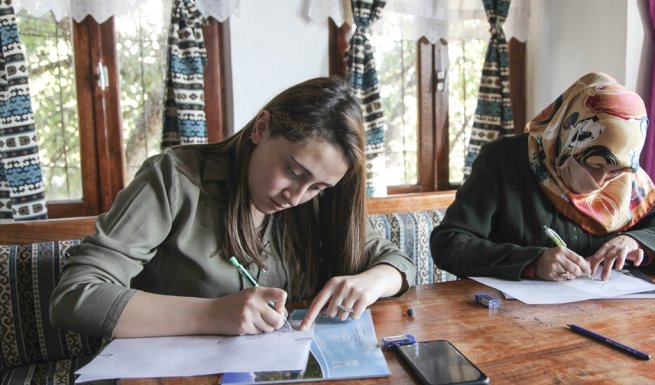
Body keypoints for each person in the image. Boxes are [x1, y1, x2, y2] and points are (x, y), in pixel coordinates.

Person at [50, 77, 415, 338]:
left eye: (318, 187)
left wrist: (371, 282)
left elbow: (398, 263)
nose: (296, 196)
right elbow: (75, 295)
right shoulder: (174, 179)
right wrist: (212, 313)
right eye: (292, 171)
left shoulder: (316, 201)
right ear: (261, 128)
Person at [431, 72, 655, 282]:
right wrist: (532, 262)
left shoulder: (630, 181)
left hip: (608, 316)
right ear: (567, 138)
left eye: (616, 170)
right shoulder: (503, 161)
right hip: (512, 321)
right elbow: (448, 244)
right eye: (593, 165)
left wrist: (636, 241)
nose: (601, 181)